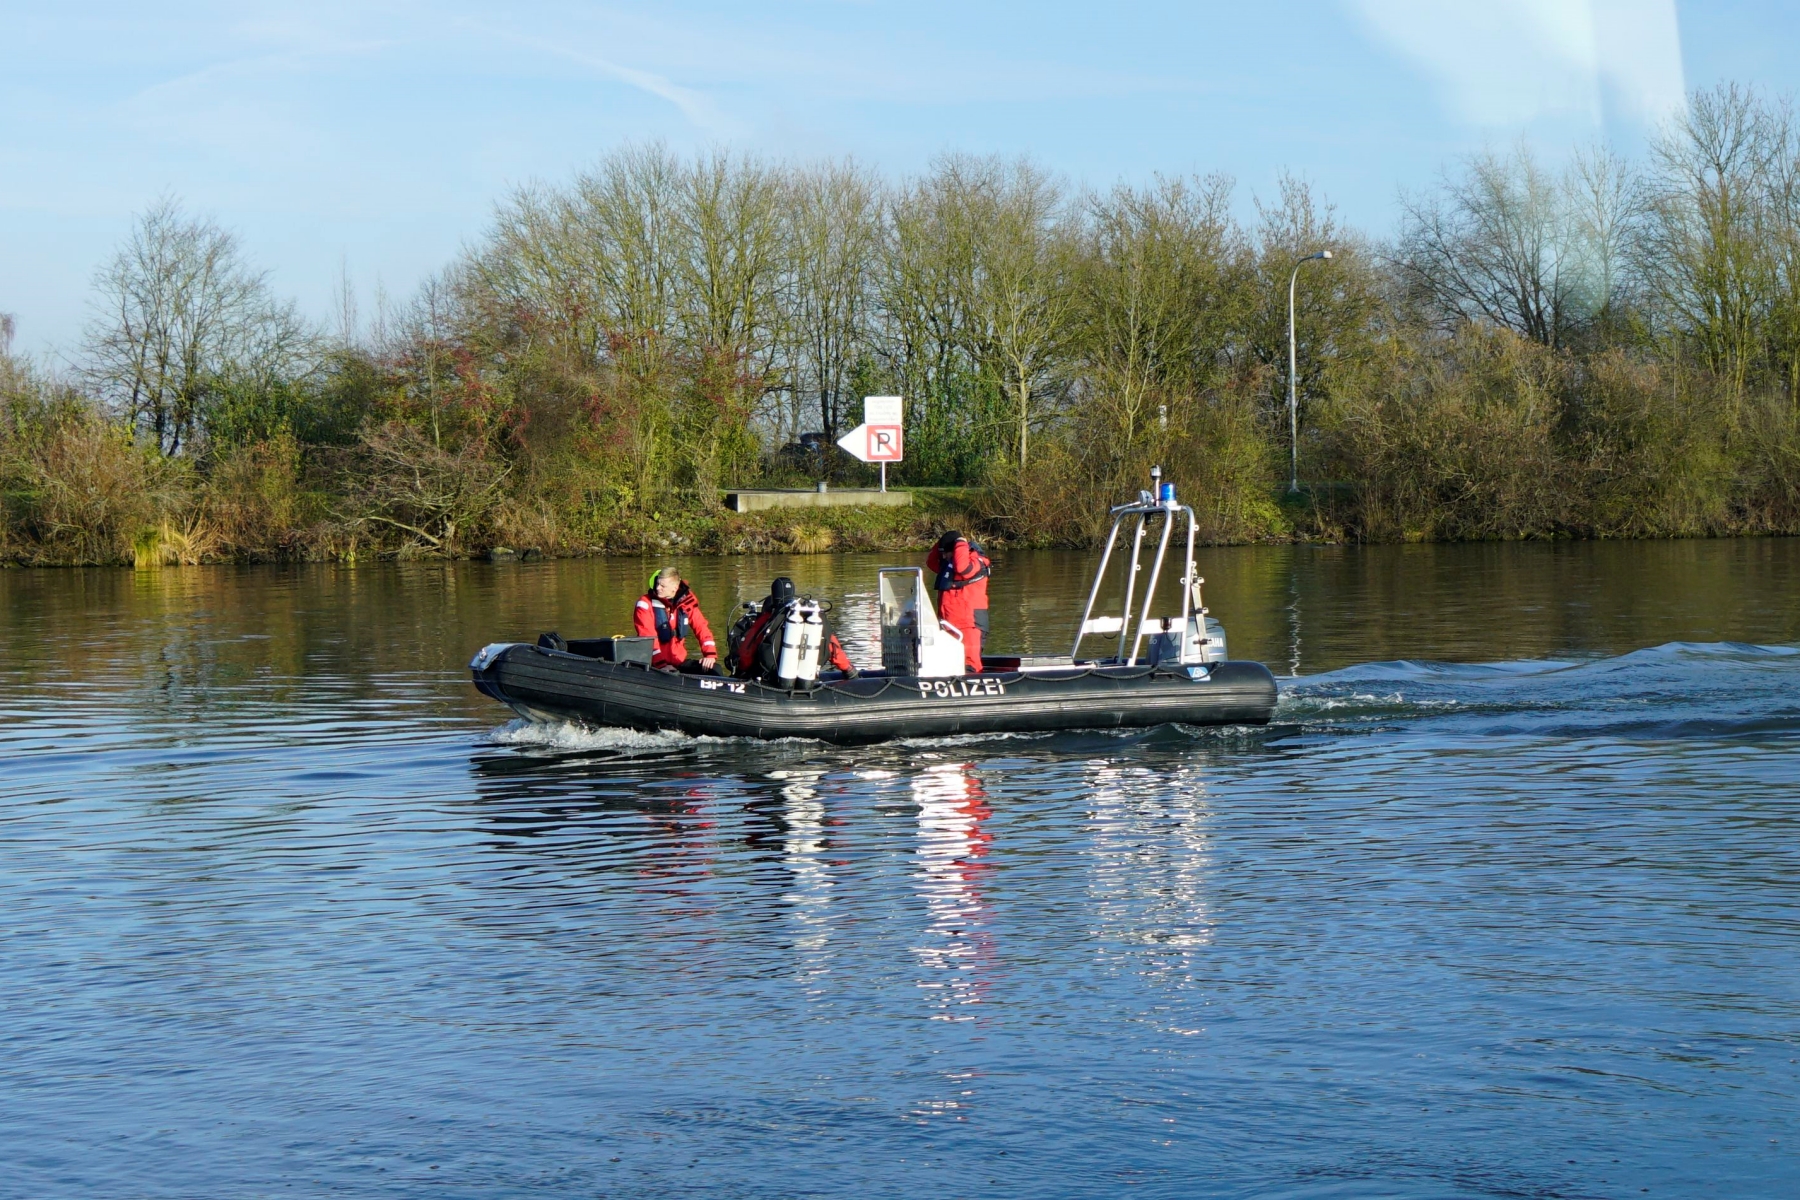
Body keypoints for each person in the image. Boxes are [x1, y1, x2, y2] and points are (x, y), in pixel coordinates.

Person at [731, 576, 858, 681]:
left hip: (772, 680)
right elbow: (833, 648)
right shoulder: (809, 615)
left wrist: (741, 674)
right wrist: (849, 671)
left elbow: (746, 653)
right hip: (807, 678)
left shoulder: (767, 620)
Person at [926, 530, 990, 673]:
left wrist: (960, 542)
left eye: (946, 552)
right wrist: (943, 541)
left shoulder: (976, 562)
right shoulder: (948, 566)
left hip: (970, 625)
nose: (943, 556)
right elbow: (930, 562)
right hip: (949, 624)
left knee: (970, 665)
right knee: (951, 664)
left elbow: (963, 568)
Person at [634, 566, 718, 673]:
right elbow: (647, 636)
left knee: (715, 670)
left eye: (662, 586)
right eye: (657, 584)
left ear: (675, 588)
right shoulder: (645, 603)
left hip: (678, 661)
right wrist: (661, 665)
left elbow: (701, 628)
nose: (658, 588)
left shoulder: (687, 602)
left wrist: (709, 654)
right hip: (654, 663)